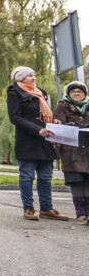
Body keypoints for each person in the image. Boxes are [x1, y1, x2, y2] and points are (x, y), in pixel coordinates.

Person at [7, 67, 68, 221]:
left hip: (46, 140)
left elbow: (44, 113)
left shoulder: (41, 91)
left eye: (34, 75)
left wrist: (54, 120)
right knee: (27, 176)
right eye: (29, 76)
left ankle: (47, 209)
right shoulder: (14, 93)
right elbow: (15, 118)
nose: (33, 78)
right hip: (27, 141)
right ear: (20, 78)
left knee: (46, 176)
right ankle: (28, 208)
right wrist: (37, 129)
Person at [53, 81, 89, 220]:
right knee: (76, 180)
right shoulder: (62, 105)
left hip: (87, 149)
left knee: (87, 180)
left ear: (84, 93)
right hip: (71, 150)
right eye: (72, 91)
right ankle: (80, 212)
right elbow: (58, 123)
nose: (76, 93)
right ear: (68, 94)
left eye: (79, 91)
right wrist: (74, 125)